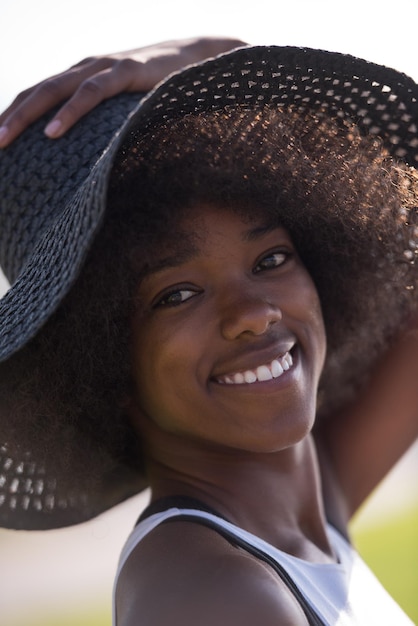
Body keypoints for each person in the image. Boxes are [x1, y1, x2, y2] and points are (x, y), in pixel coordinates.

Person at [0, 38, 417, 626]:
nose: (254, 312)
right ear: (99, 362)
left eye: (271, 259)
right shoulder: (209, 596)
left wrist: (219, 60)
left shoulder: (309, 520)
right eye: (177, 295)